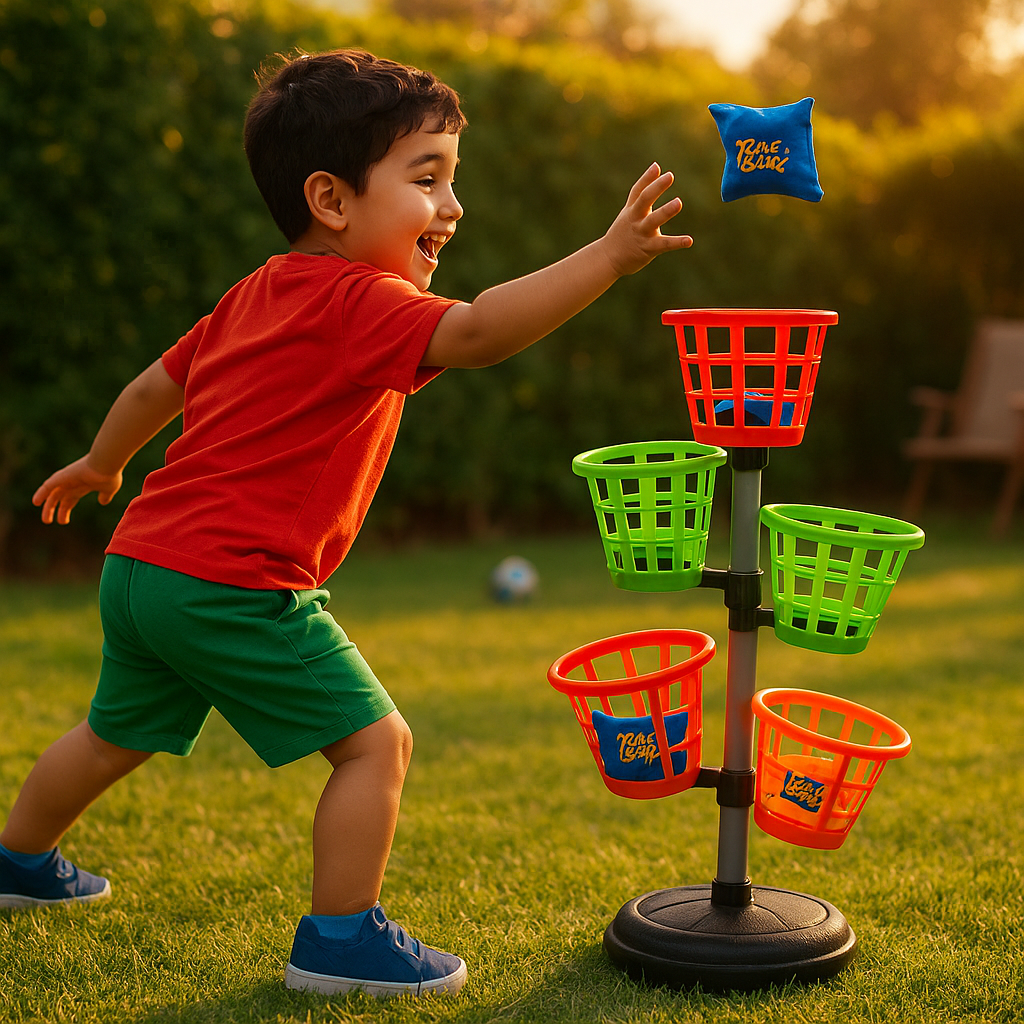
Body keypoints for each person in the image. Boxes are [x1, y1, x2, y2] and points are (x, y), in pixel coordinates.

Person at [0, 49, 692, 997]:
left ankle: (16, 865)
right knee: (377, 745)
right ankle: (339, 941)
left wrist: (105, 461)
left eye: (454, 179)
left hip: (142, 568)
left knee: (112, 735)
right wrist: (608, 256)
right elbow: (482, 330)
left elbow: (159, 384)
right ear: (331, 199)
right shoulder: (361, 299)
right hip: (231, 580)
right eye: (427, 178)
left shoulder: (255, 292)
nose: (452, 206)